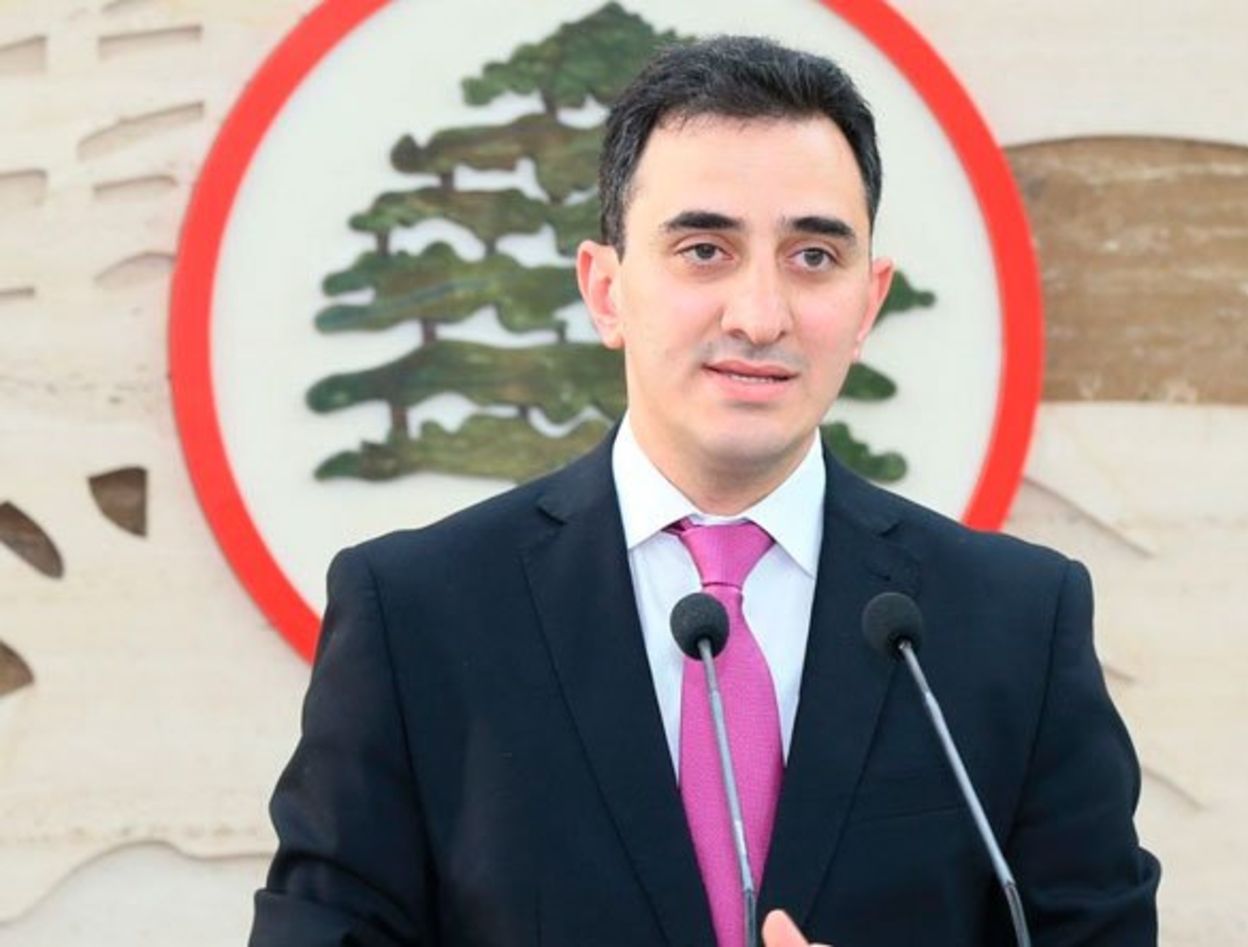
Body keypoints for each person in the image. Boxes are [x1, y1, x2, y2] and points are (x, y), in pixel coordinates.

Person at [250, 35, 1159, 947]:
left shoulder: (1015, 623)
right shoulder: (420, 616)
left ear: (868, 302)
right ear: (606, 291)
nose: (759, 316)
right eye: (704, 249)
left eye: (813, 256)